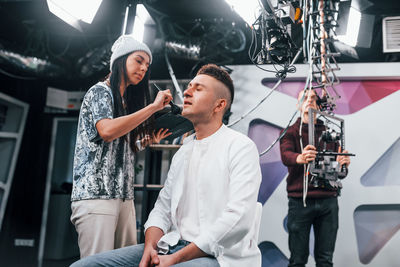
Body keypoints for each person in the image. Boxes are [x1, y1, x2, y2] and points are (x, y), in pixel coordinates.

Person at [70, 64, 262, 267]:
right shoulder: (185, 150)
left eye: (198, 89)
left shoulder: (241, 147)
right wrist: (149, 249)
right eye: (189, 86)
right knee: (83, 266)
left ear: (219, 105)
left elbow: (237, 219)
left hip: (218, 255)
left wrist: (175, 259)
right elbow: (162, 208)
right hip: (172, 244)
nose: (187, 92)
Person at [71, 34, 173, 258]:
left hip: (123, 197)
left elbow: (113, 147)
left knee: (124, 262)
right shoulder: (100, 92)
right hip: (96, 195)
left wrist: (141, 143)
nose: (143, 68)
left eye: (147, 65)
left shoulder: (125, 103)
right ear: (120, 60)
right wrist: (153, 108)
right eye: (138, 60)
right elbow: (106, 131)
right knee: (97, 263)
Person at [279, 89, 351, 267]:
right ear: (298, 104)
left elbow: (338, 173)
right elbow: (286, 155)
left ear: (319, 105)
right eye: (305, 97)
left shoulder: (330, 132)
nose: (309, 99)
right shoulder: (290, 132)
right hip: (300, 201)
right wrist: (300, 158)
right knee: (298, 260)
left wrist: (342, 164)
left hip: (328, 201)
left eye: (314, 98)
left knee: (325, 259)